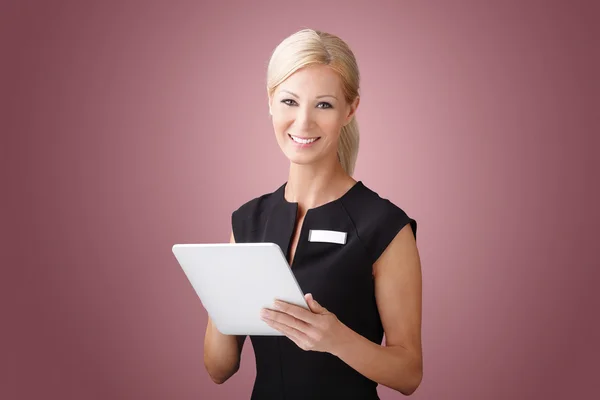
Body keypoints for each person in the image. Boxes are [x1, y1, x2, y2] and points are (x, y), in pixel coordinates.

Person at [203, 28, 423, 399]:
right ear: (270, 102)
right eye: (290, 101)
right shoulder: (248, 221)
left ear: (350, 109)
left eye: (323, 105)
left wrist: (336, 339)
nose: (303, 123)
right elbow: (219, 369)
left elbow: (409, 374)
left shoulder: (383, 226)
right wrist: (220, 296)